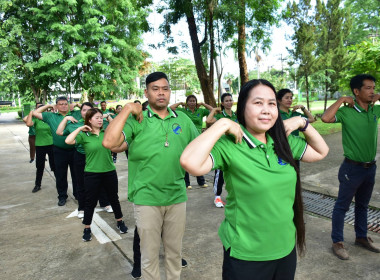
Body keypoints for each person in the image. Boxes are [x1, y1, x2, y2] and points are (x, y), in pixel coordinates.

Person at [180, 79, 328, 280]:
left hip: (285, 249)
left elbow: (321, 152)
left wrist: (302, 123)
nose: (266, 110)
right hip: (246, 255)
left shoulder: (281, 141)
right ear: (242, 108)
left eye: (271, 104)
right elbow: (190, 162)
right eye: (258, 103)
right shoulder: (231, 145)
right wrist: (222, 124)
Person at [103, 72, 198, 280]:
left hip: (176, 196)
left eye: (165, 89)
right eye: (155, 89)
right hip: (147, 199)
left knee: (174, 254)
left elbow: (201, 145)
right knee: (149, 256)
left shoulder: (183, 119)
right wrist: (127, 109)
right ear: (146, 93)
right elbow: (109, 143)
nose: (161, 93)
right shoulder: (137, 120)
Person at [321, 74, 380, 260]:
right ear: (356, 91)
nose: (372, 92)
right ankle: (337, 242)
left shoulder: (374, 111)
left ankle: (361, 237)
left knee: (362, 205)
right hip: (351, 169)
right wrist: (341, 100)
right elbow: (325, 118)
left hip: (370, 167)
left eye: (374, 88)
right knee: (342, 206)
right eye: (368, 88)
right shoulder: (347, 112)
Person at [65, 108, 128, 241]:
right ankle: (87, 228)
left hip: (109, 171)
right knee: (90, 201)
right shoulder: (84, 135)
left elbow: (119, 137)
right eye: (97, 118)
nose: (100, 120)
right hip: (92, 173)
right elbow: (68, 141)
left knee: (114, 198)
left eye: (101, 117)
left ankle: (120, 222)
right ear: (89, 120)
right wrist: (80, 129)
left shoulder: (107, 132)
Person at [32, 97, 78, 206]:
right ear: (56, 106)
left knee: (76, 174)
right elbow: (35, 113)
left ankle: (78, 194)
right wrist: (48, 106)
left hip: (74, 150)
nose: (63, 106)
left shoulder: (74, 115)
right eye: (61, 104)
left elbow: (89, 110)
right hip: (59, 151)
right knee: (60, 175)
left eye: (65, 104)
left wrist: (76, 105)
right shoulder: (50, 116)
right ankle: (62, 196)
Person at [170, 95, 213, 189]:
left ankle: (201, 181)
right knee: (185, 158)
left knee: (197, 159)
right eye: (190, 101)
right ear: (187, 102)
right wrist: (180, 104)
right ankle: (186, 183)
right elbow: (171, 108)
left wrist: (203, 104)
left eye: (194, 101)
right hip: (186, 138)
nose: (192, 103)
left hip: (198, 138)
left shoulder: (200, 111)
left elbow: (212, 110)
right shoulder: (183, 111)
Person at [206, 93, 238, 208]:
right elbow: (209, 121)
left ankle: (234, 195)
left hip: (235, 147)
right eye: (226, 101)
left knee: (235, 172)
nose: (229, 102)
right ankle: (217, 197)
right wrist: (214, 110)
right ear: (223, 103)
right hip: (223, 148)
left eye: (230, 100)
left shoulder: (236, 115)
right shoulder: (220, 117)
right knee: (219, 173)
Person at [24, 103, 55, 193]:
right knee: (40, 167)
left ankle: (60, 185)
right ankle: (38, 185)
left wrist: (47, 109)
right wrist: (46, 106)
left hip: (52, 145)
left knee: (55, 166)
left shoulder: (50, 118)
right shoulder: (36, 120)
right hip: (40, 145)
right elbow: (27, 121)